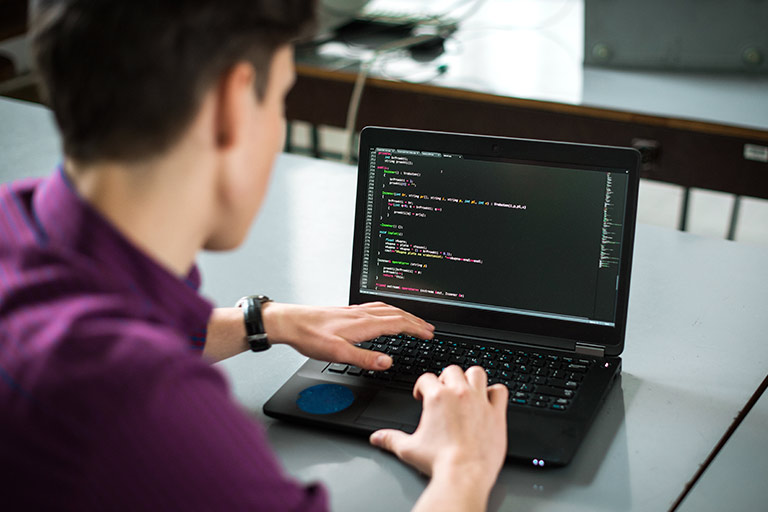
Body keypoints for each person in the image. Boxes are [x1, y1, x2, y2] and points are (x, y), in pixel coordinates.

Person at [0, 1, 508, 510]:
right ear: (231, 103)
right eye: (282, 98)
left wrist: (260, 321)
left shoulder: (15, 221)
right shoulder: (149, 413)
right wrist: (463, 467)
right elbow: (115, 380)